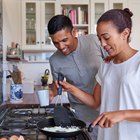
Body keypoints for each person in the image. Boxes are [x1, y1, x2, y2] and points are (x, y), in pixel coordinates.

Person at [60, 8, 140, 140]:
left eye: (106, 38)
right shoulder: (106, 65)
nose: (103, 44)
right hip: (106, 136)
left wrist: (122, 114)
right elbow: (95, 102)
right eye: (99, 39)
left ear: (125, 33)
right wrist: (70, 88)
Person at [48, 15, 106, 140]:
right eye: (56, 43)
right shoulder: (54, 60)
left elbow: (113, 63)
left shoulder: (94, 41)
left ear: (74, 32)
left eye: (64, 40)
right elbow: (55, 86)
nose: (61, 47)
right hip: (82, 116)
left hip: (107, 108)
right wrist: (52, 90)